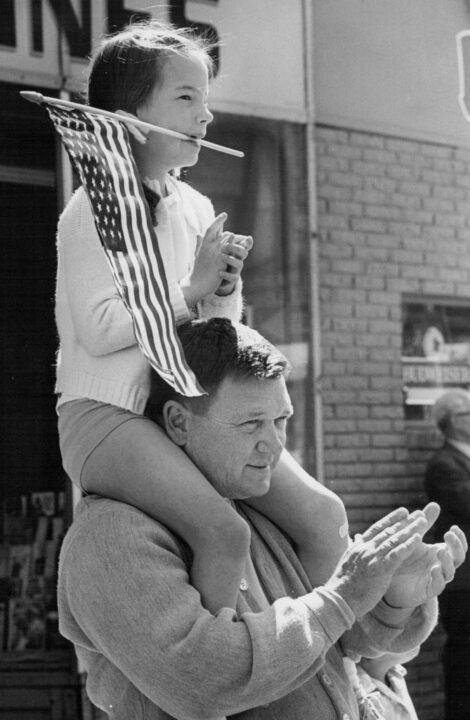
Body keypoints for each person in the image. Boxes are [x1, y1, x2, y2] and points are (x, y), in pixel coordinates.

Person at [55, 18, 347, 617]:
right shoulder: (91, 207)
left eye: (206, 100)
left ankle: (323, 671)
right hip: (106, 417)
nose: (206, 117)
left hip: (185, 407)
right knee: (224, 531)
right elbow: (102, 329)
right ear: (129, 115)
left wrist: (223, 292)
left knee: (325, 517)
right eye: (186, 98)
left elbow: (210, 338)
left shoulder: (194, 205)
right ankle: (210, 685)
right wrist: (192, 286)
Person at [58, 318, 467, 720]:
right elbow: (206, 683)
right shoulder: (110, 538)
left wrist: (392, 596)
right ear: (178, 421)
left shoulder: (256, 506)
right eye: (251, 423)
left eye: (281, 420)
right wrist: (342, 596)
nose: (273, 445)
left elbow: (343, 639)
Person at [424, 388, 470, 720]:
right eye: (465, 412)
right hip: (465, 584)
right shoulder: (443, 464)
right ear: (450, 422)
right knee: (464, 659)